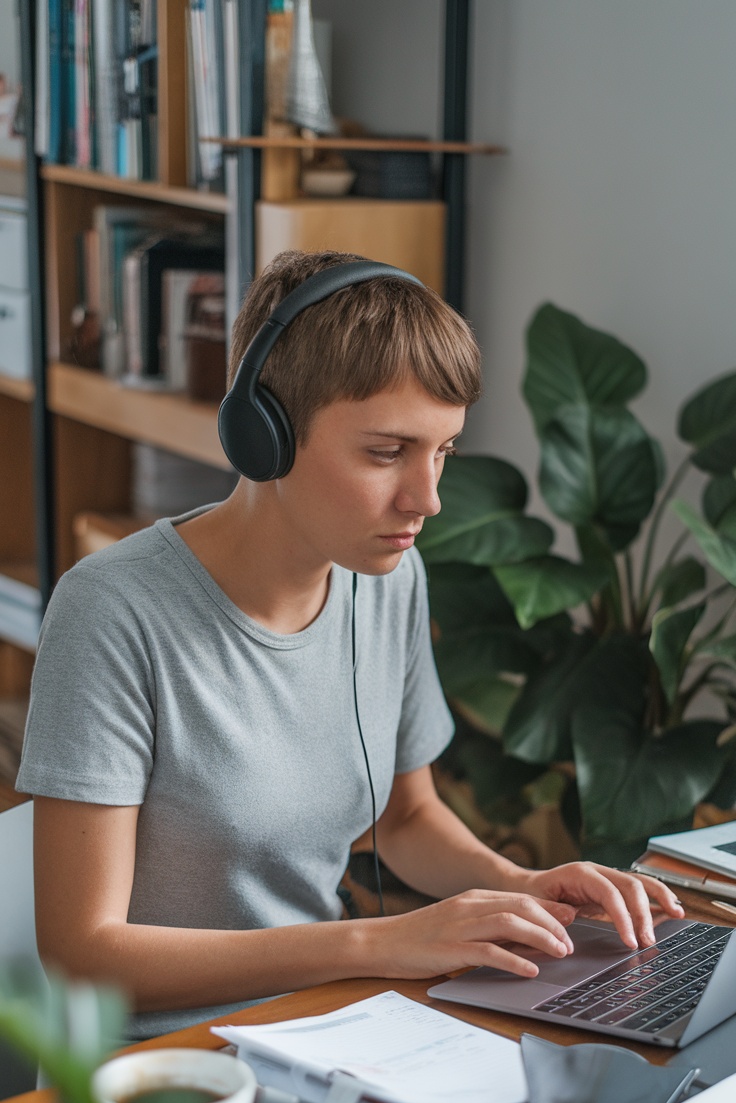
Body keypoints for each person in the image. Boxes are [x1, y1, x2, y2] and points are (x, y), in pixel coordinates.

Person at [17, 249, 682, 1039]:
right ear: (265, 434)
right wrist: (377, 942)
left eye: (442, 452)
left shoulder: (390, 577)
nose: (427, 498)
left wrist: (520, 883)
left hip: (324, 1025)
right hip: (167, 1071)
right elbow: (84, 957)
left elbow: (403, 817)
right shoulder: (114, 611)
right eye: (386, 452)